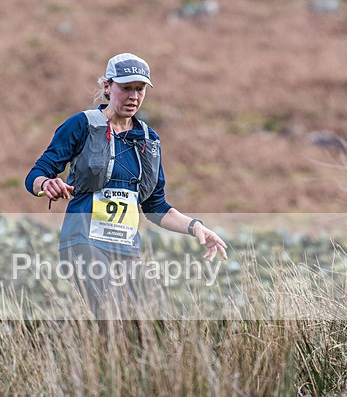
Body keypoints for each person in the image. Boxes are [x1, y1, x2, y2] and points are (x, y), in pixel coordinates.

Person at [24, 53, 227, 322]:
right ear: (108, 87)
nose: (133, 96)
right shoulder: (81, 125)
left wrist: (196, 227)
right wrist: (47, 184)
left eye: (140, 89)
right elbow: (36, 174)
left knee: (156, 322)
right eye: (126, 88)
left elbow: (155, 207)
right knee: (113, 315)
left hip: (126, 250)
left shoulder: (148, 139)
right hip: (83, 242)